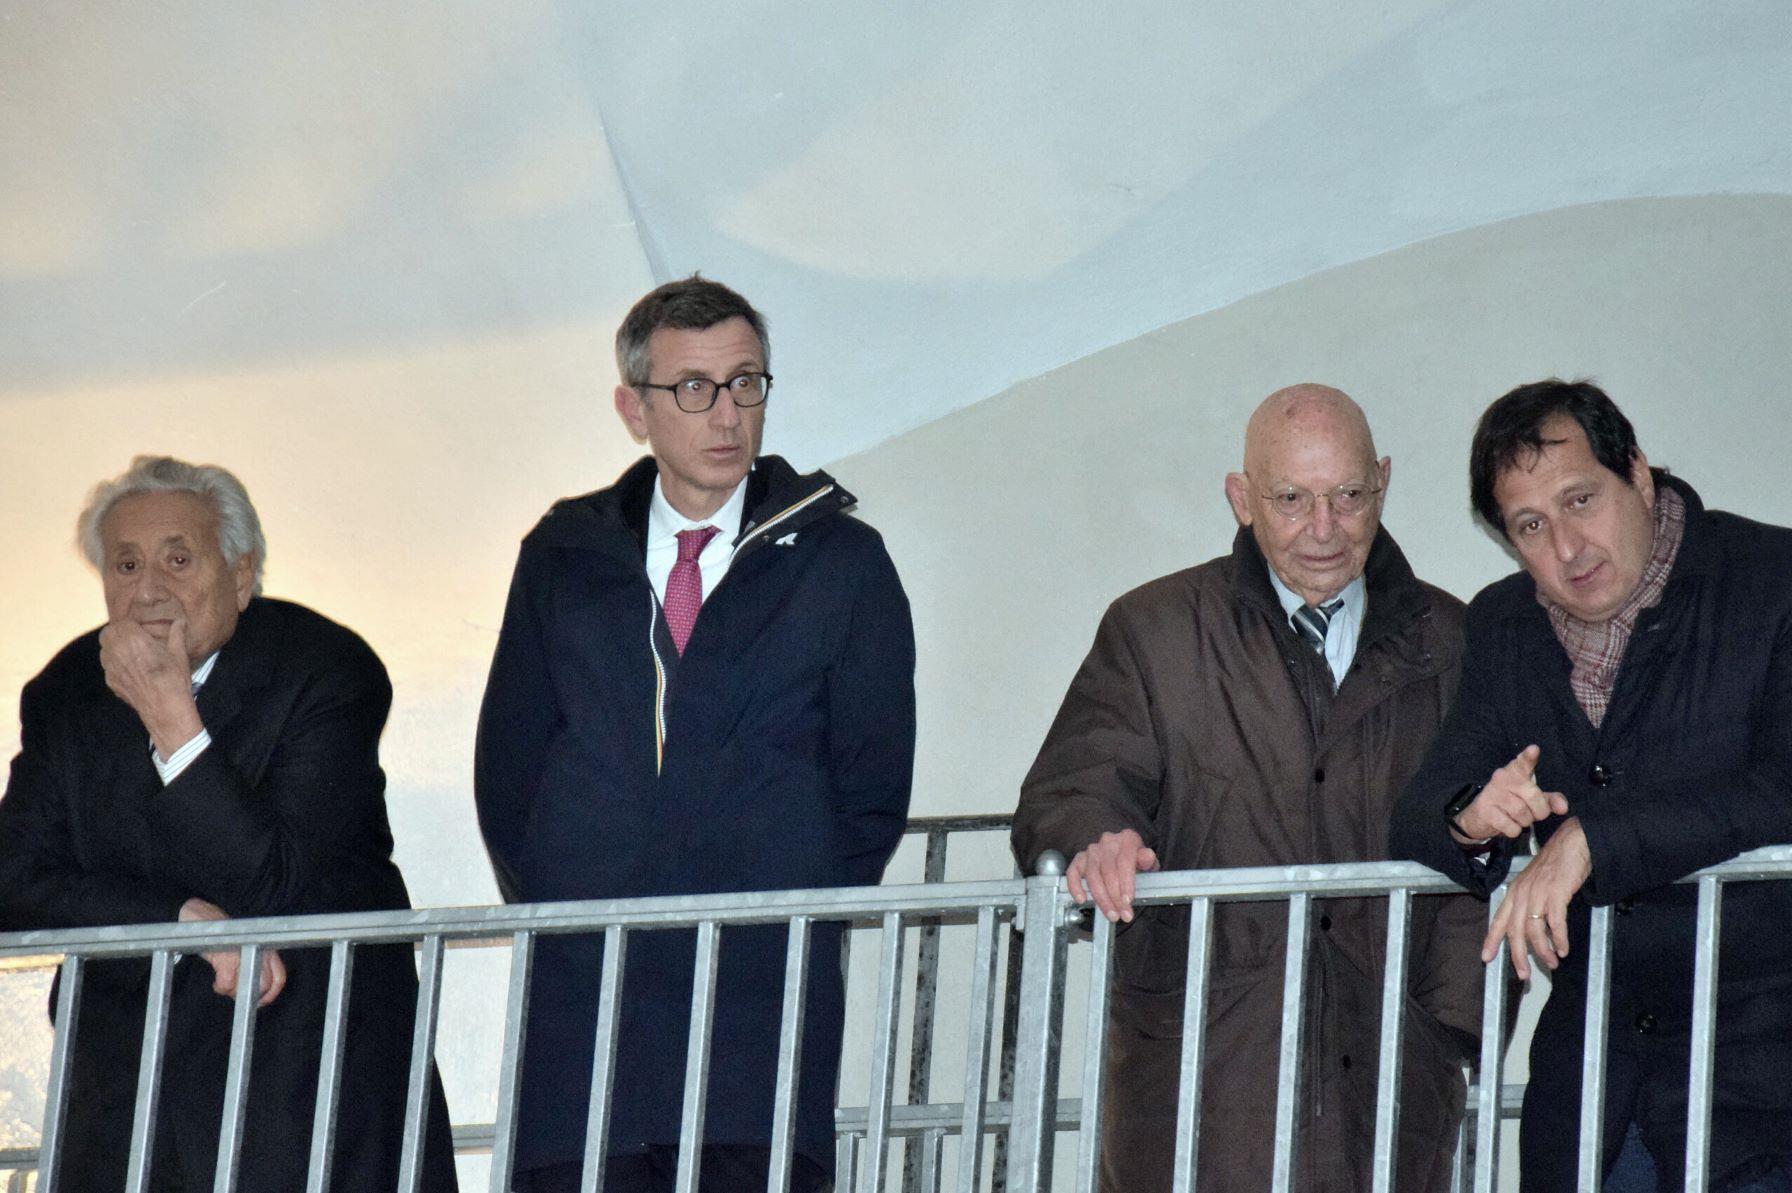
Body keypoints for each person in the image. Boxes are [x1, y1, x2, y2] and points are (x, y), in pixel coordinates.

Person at [475, 275, 916, 1193]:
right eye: (693, 387)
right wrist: (576, 893)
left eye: (745, 382)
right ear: (633, 410)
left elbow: (871, 785)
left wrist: (782, 891)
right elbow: (509, 770)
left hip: (756, 1010)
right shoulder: (563, 559)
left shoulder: (841, 563)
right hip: (589, 1005)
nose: (726, 414)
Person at [1012, 385, 1485, 1192]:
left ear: (1384, 482)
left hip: (1386, 1086)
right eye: (1292, 499)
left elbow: (1488, 843)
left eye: (1348, 495)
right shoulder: (1154, 630)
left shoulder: (1452, 639)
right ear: (1241, 498)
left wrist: (1444, 1027)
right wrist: (1097, 840)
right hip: (1197, 1078)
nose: (1324, 527)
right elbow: (1077, 784)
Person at [0, 456, 457, 1192]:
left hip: (305, 1083)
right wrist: (176, 919)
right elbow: (16, 881)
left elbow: (272, 879)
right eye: (126, 564)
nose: (149, 588)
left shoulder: (326, 670)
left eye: (178, 559)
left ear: (241, 575)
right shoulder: (67, 690)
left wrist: (173, 721)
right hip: (131, 1095)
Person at [1392, 379, 1792, 1192]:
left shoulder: (1771, 577)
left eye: (1581, 500)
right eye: (1530, 525)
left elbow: (1783, 785)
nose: (1568, 547)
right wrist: (1472, 814)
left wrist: (1593, 840)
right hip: (1595, 1094)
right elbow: (1420, 809)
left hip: (1761, 1080)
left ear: (1637, 473)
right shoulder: (1505, 622)